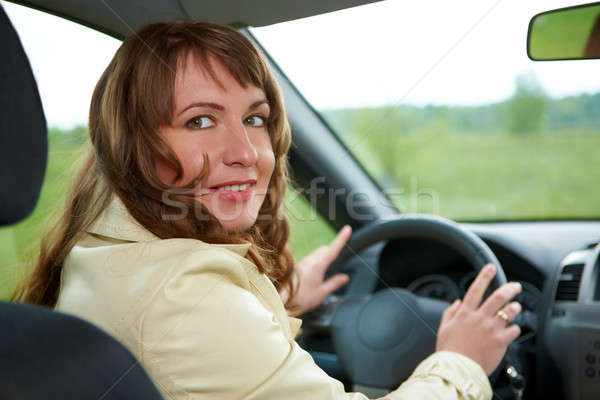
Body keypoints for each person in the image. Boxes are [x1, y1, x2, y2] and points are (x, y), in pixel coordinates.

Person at [12, 21, 522, 400]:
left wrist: (286, 295)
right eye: (199, 121)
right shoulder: (189, 299)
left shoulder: (104, 253)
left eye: (255, 118)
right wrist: (461, 361)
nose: (248, 152)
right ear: (135, 145)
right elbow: (190, 320)